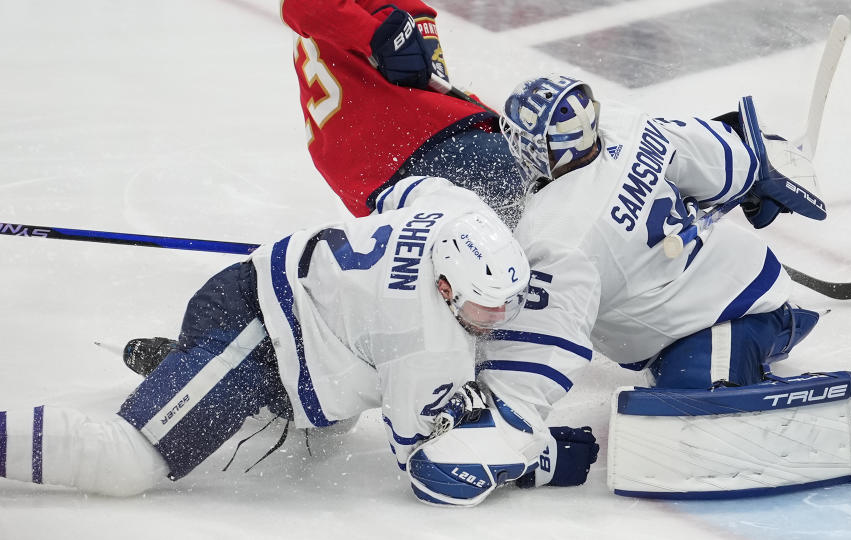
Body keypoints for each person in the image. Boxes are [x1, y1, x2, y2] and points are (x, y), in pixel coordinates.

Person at [0, 177, 588, 500]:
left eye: (508, 301)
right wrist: (533, 457)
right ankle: (189, 373)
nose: (499, 320)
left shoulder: (454, 212)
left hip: (274, 308)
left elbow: (399, 192)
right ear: (443, 284)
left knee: (322, 443)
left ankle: (178, 369)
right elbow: (420, 456)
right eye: (485, 310)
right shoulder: (427, 346)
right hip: (255, 339)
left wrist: (354, 287)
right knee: (125, 464)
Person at [399, 74, 829, 504]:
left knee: (693, 420)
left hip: (726, 317)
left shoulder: (559, 234)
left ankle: (778, 392)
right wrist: (756, 175)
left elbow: (545, 345)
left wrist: (510, 433)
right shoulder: (630, 125)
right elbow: (724, 159)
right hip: (744, 277)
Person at [122, 0, 527, 371]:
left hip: (379, 170)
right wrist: (376, 35)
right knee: (542, 217)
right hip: (421, 147)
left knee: (402, 288)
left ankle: (226, 355)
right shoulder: (389, 11)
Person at [280, 0, 524, 221]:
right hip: (407, 150)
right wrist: (373, 34)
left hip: (372, 171)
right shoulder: (395, 8)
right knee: (542, 174)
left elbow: (434, 88)